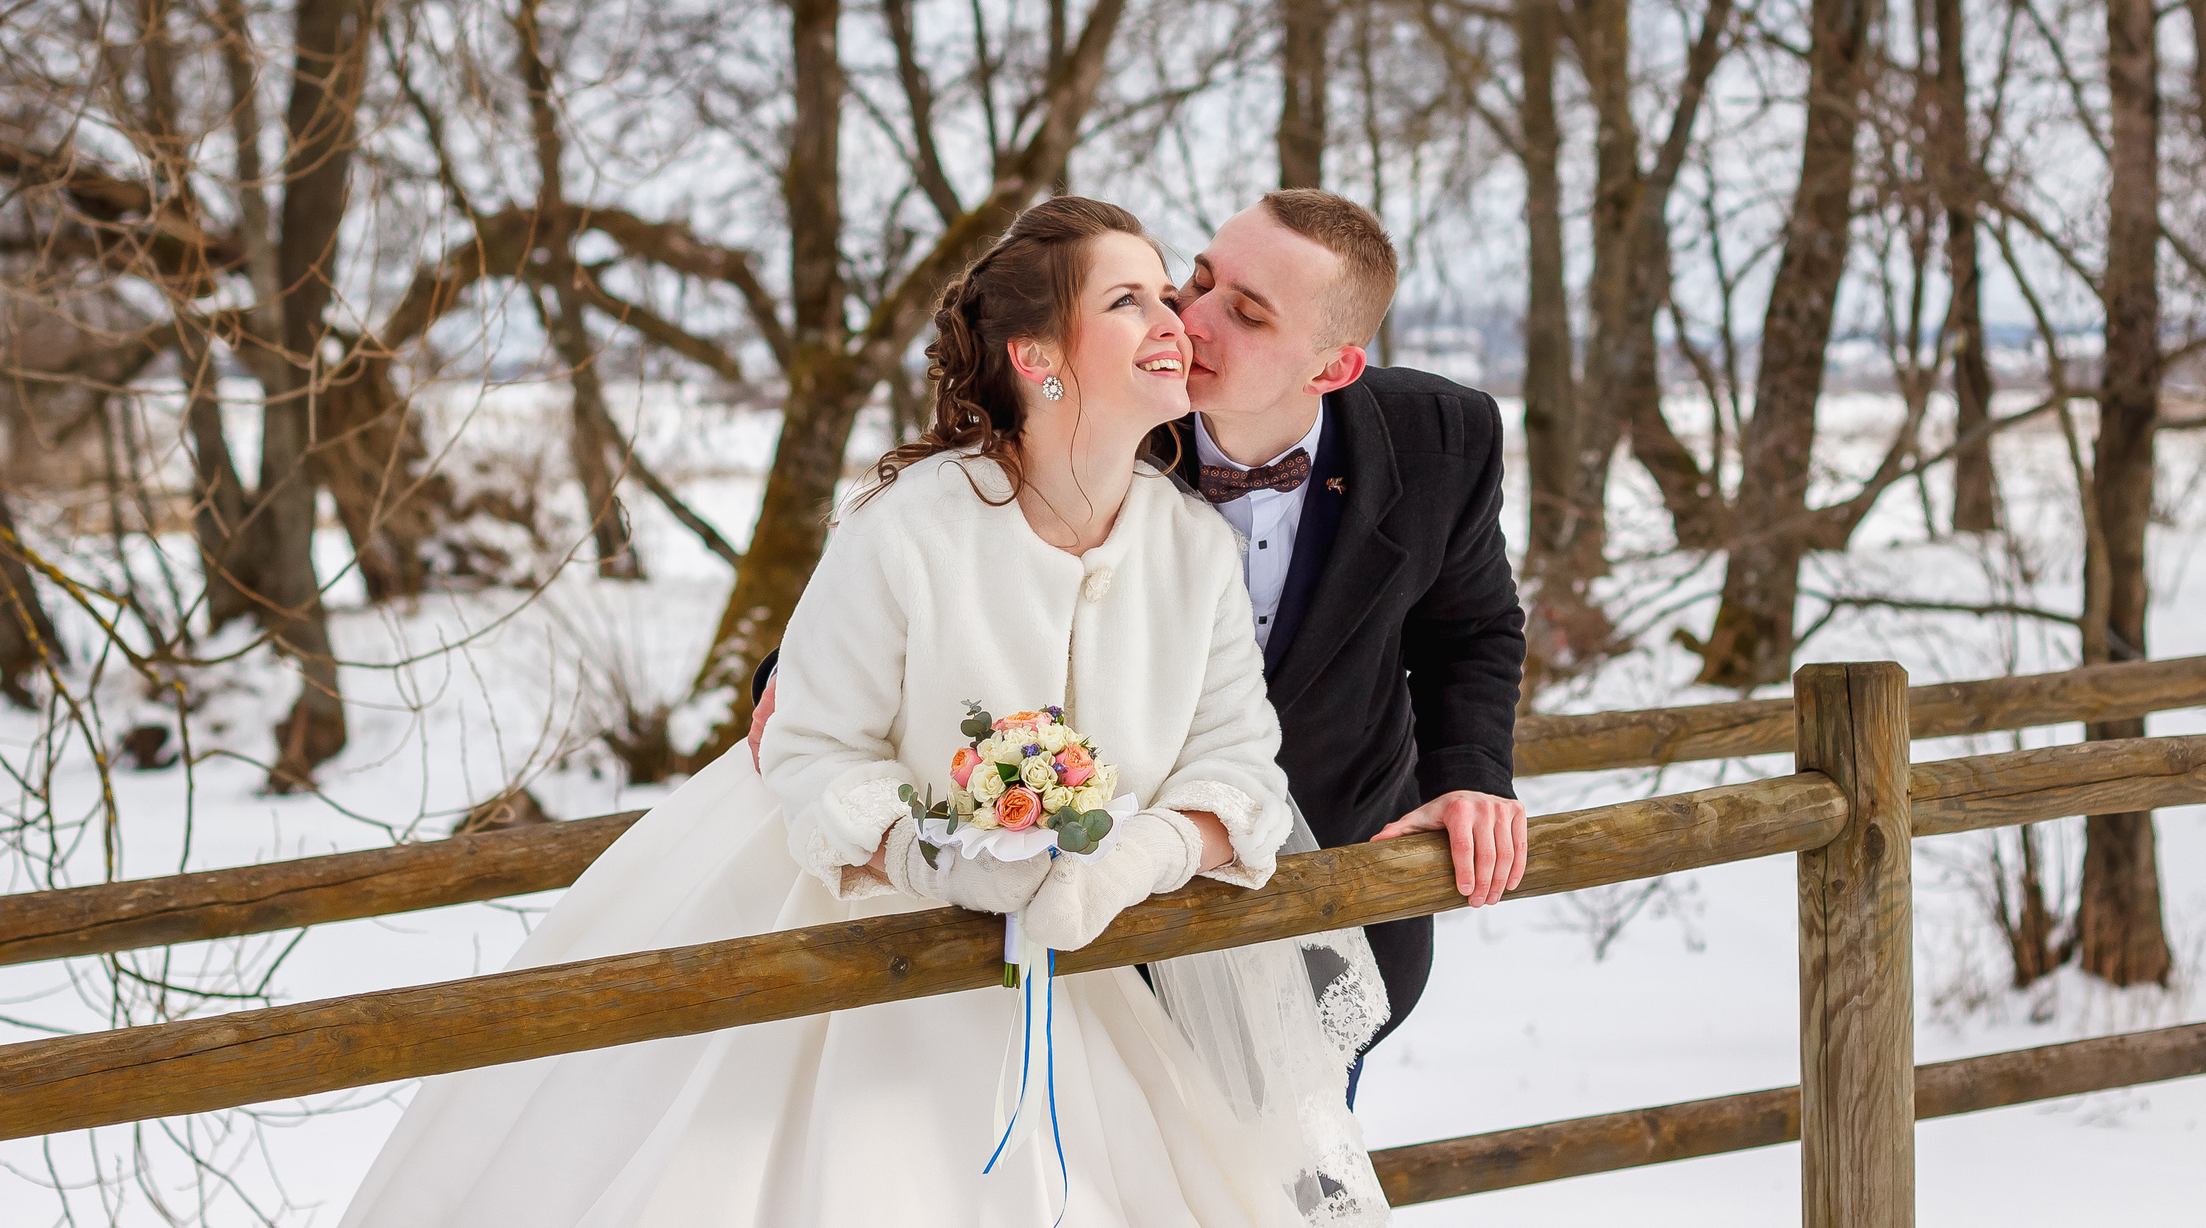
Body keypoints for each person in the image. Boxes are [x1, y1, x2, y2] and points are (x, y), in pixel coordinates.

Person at [341, 198, 1389, 1228]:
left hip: (1075, 967)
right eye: (1133, 301)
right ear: (1038, 356)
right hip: (846, 941)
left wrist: (1134, 858)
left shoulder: (1189, 546)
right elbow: (810, 746)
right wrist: (938, 858)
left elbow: (1240, 770)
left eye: (1172, 293)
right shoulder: (909, 525)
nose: (1177, 324)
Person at [758, 190, 1530, 1072]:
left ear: (1332, 368)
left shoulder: (1443, 437)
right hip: (1056, 956)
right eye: (1193, 279)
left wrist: (1473, 777)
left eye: (1244, 311)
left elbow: (1470, 628)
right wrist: (787, 679)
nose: (1187, 318)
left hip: (1320, 909)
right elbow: (950, 561)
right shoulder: (1117, 411)